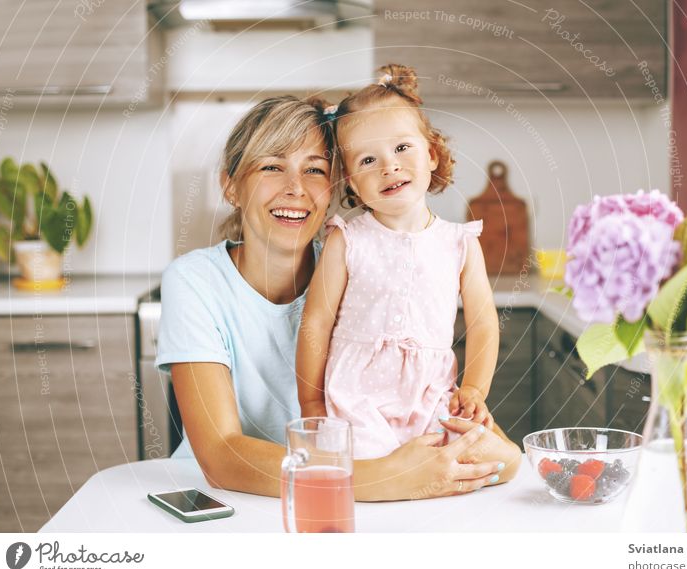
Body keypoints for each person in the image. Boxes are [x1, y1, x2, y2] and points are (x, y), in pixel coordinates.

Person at [155, 95, 518, 501]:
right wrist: (380, 479)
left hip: (352, 503)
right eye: (272, 167)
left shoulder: (365, 272)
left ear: (334, 187)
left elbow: (486, 444)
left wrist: (499, 451)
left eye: (314, 170)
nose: (295, 188)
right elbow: (221, 458)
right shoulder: (195, 282)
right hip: (224, 501)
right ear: (230, 186)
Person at [296, 64, 519, 474]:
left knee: (498, 466)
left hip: (432, 395)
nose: (389, 166)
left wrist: (473, 388)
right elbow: (316, 322)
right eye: (367, 159)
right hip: (357, 399)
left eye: (402, 148)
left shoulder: (460, 242)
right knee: (380, 479)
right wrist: (312, 404)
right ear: (351, 183)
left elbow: (484, 322)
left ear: (431, 154)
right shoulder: (346, 239)